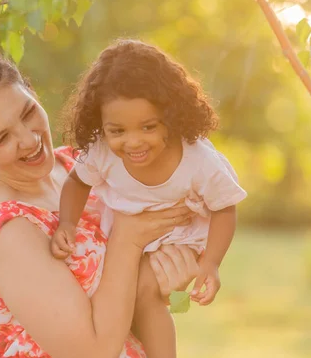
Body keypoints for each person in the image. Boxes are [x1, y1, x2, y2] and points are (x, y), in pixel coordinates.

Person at [0, 52, 199, 357]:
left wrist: (160, 281)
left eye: (27, 113)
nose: (29, 140)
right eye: (1, 139)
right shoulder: (10, 231)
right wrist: (129, 240)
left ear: (31, 91)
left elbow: (119, 303)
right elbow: (90, 353)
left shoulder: (76, 167)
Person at [51, 39, 247, 357]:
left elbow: (225, 208)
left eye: (148, 127)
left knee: (145, 292)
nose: (133, 142)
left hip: (179, 235)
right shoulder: (101, 151)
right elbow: (76, 183)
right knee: (122, 304)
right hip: (125, 233)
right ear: (100, 125)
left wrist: (211, 263)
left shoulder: (198, 161)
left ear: (170, 115)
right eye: (118, 131)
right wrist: (68, 223)